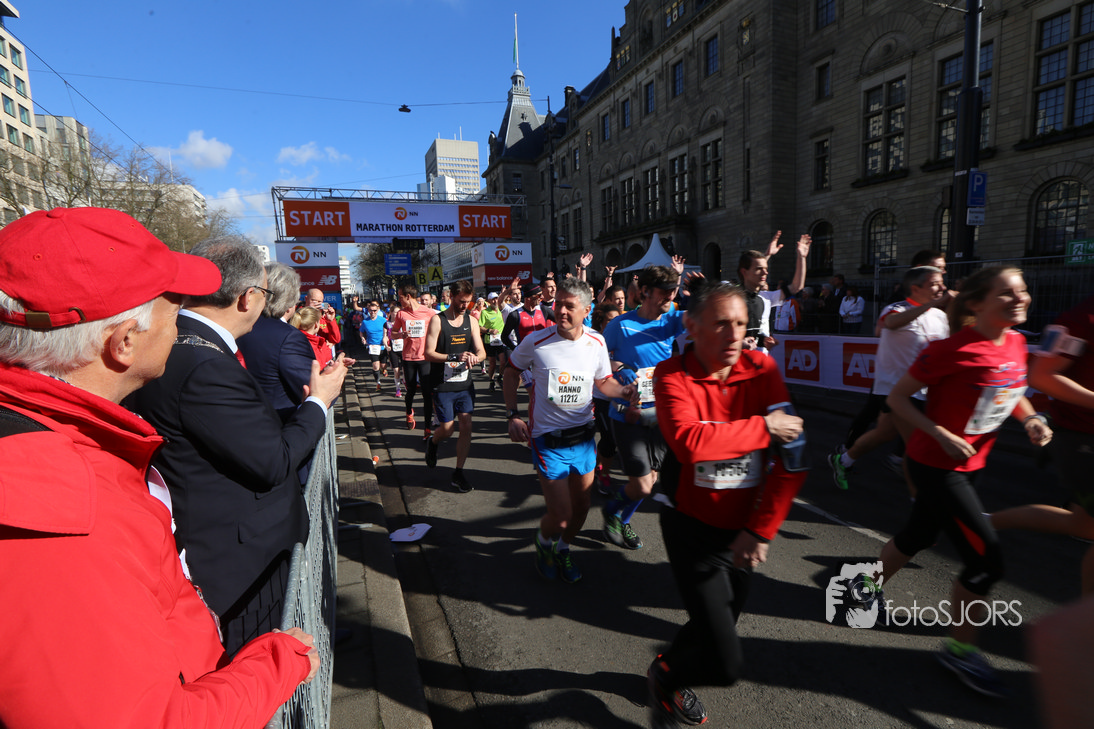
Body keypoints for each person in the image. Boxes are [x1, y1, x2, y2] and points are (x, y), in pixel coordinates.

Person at [0, 207, 319, 728]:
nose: (183, 326)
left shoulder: (54, 445)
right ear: (124, 342)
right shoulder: (59, 504)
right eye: (174, 312)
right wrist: (281, 661)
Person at [129, 237, 350, 655]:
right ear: (248, 297)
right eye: (264, 293)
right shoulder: (205, 365)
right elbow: (273, 461)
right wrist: (318, 402)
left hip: (217, 543)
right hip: (245, 562)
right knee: (262, 665)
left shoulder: (178, 344)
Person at [866, 266, 1052, 698]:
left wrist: (1032, 420)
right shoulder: (950, 350)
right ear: (976, 304)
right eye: (1007, 293)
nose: (1020, 299)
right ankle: (959, 650)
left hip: (971, 465)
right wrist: (941, 434)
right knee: (986, 562)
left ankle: (863, 589)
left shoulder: (1016, 342)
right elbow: (897, 399)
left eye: (1023, 290)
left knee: (917, 535)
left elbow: (1013, 391)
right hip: (937, 466)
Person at [647, 280, 805, 727]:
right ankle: (667, 679)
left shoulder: (762, 368)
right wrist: (764, 427)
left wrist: (760, 530)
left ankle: (668, 666)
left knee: (715, 625)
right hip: (690, 527)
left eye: (740, 323)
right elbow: (689, 443)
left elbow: (794, 458)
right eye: (721, 324)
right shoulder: (671, 375)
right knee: (727, 664)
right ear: (692, 326)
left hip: (742, 531)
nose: (735, 334)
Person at [504, 278, 635, 582]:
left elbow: (603, 382)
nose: (560, 311)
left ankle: (562, 549)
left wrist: (623, 392)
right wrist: (512, 415)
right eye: (558, 304)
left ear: (587, 310)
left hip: (584, 438)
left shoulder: (596, 341)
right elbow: (510, 373)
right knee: (561, 514)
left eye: (569, 306)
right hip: (547, 441)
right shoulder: (536, 341)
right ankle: (544, 542)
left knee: (582, 506)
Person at [991, 292, 1094, 595]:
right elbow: (1040, 375)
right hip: (1084, 438)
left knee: (1083, 525)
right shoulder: (1082, 318)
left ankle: (981, 521)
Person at [828, 266, 949, 491]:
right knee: (917, 444)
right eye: (935, 284)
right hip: (896, 390)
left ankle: (843, 460)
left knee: (885, 433)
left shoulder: (941, 316)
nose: (942, 287)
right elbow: (889, 324)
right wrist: (931, 304)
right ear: (916, 288)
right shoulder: (896, 309)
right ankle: (920, 499)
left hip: (922, 390)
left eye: (942, 282)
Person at [601, 263, 686, 551]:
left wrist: (700, 295)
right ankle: (612, 510)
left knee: (650, 479)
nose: (670, 297)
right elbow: (598, 360)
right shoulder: (620, 325)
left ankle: (622, 519)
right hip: (627, 413)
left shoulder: (671, 320)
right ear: (646, 291)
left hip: (659, 413)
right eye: (665, 291)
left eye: (674, 291)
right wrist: (620, 367)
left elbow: (704, 318)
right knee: (642, 484)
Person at [423, 280, 486, 493]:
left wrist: (475, 358)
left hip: (464, 384)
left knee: (466, 425)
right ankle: (433, 442)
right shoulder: (437, 320)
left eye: (468, 302)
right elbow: (428, 353)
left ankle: (458, 472)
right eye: (461, 301)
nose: (464, 306)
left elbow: (482, 351)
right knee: (447, 429)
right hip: (442, 384)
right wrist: (454, 357)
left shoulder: (472, 321)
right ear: (451, 297)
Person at [237, 262, 317, 424]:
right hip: (279, 427)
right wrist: (332, 378)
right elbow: (313, 390)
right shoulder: (288, 337)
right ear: (290, 300)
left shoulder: (237, 327)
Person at [737, 232, 811, 352]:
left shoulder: (766, 298)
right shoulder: (732, 298)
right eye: (759, 269)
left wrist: (801, 257)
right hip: (736, 360)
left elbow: (796, 287)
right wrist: (739, 344)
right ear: (744, 272)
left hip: (761, 358)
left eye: (766, 269)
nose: (765, 273)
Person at [391, 283, 438, 434]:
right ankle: (409, 412)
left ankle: (427, 428)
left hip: (425, 357)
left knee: (427, 393)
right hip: (408, 357)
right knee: (410, 390)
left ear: (408, 296)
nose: (399, 300)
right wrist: (401, 335)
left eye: (400, 297)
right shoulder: (401, 314)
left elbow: (438, 331)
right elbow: (393, 333)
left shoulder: (429, 313)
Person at [591, 302, 623, 495]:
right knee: (608, 437)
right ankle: (604, 474)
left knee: (614, 438)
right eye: (610, 320)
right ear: (601, 321)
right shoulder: (595, 339)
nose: (614, 324)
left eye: (617, 320)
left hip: (621, 396)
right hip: (601, 396)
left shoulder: (624, 337)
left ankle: (598, 464)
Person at [502, 283, 550, 350]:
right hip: (525, 354)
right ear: (529, 298)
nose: (542, 297)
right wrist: (515, 350)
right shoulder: (515, 314)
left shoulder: (544, 310)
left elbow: (560, 321)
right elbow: (504, 337)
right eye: (539, 295)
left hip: (542, 352)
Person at [359, 299, 390, 392]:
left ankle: (384, 369)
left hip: (382, 345)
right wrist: (363, 338)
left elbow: (389, 331)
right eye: (370, 310)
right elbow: (361, 332)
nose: (372, 312)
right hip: (372, 345)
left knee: (383, 365)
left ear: (378, 310)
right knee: (376, 366)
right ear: (368, 310)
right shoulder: (365, 322)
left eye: (374, 310)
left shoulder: (383, 320)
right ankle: (378, 383)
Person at [480, 291, 507, 391]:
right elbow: (479, 327)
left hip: (500, 340)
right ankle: (491, 381)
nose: (495, 301)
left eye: (496, 299)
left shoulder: (501, 309)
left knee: (503, 362)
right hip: (489, 340)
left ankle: (500, 377)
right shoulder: (485, 312)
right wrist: (489, 330)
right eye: (493, 299)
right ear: (489, 301)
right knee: (492, 363)